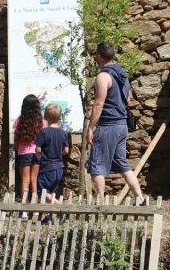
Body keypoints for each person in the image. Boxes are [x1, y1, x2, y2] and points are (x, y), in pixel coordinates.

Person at [85, 42, 146, 204]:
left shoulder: (103, 77)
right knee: (121, 163)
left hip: (108, 125)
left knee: (97, 164)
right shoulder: (123, 76)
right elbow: (127, 99)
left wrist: (91, 128)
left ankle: (101, 204)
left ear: (98, 57)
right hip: (122, 125)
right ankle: (140, 198)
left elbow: (99, 104)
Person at [34, 104, 71, 203]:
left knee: (41, 191)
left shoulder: (44, 132)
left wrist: (44, 154)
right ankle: (49, 216)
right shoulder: (63, 133)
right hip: (59, 167)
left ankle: (57, 204)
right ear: (60, 117)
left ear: (45, 117)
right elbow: (66, 150)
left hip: (47, 166)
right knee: (52, 192)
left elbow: (37, 149)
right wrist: (59, 154)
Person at [13, 94, 44, 203]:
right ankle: (35, 207)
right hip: (37, 153)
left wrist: (18, 150)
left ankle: (24, 209)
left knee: (25, 181)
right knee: (34, 180)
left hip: (23, 153)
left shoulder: (19, 120)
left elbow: (16, 138)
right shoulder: (41, 121)